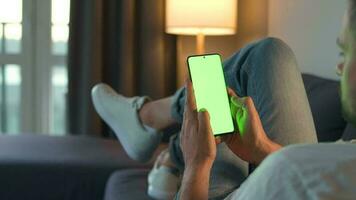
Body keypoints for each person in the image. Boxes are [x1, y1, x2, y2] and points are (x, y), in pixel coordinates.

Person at [91, 1, 356, 199]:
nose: (338, 68)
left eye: (344, 52)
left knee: (250, 70)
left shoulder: (293, 170)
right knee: (269, 54)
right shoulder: (334, 159)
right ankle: (156, 133)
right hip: (272, 168)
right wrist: (260, 148)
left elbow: (300, 171)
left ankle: (151, 124)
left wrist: (197, 165)